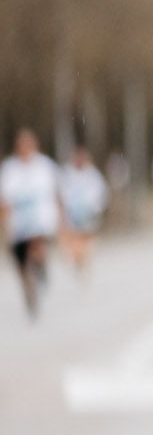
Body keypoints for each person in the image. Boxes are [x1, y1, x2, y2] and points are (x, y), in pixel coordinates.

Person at [1, 129, 62, 318]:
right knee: (21, 266)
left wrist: (62, 219)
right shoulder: (9, 169)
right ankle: (29, 291)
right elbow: (4, 201)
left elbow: (57, 191)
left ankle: (40, 265)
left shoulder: (44, 166)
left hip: (40, 221)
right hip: (19, 225)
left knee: (37, 245)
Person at [58, 144, 109, 276]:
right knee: (75, 242)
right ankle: (78, 260)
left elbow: (101, 194)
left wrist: (96, 210)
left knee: (85, 242)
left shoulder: (93, 174)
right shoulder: (67, 174)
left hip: (88, 215)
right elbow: (61, 195)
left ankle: (83, 260)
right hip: (72, 215)